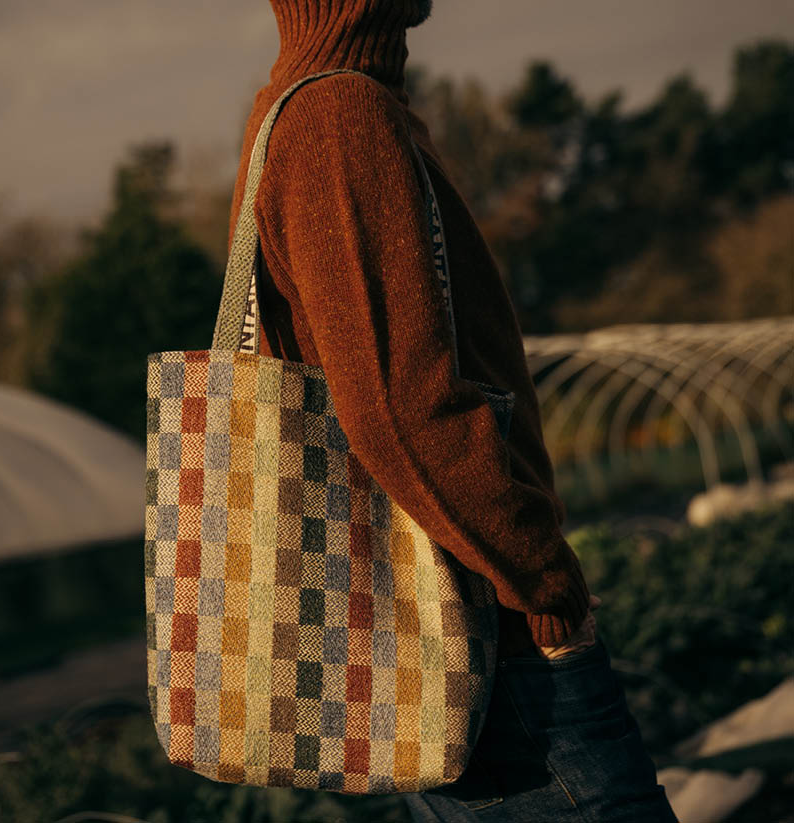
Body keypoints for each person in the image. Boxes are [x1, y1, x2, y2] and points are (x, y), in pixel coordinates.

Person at [229, 1, 678, 820]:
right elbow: (401, 409)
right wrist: (543, 583)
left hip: (436, 633)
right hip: (487, 640)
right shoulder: (337, 114)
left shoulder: (304, 105)